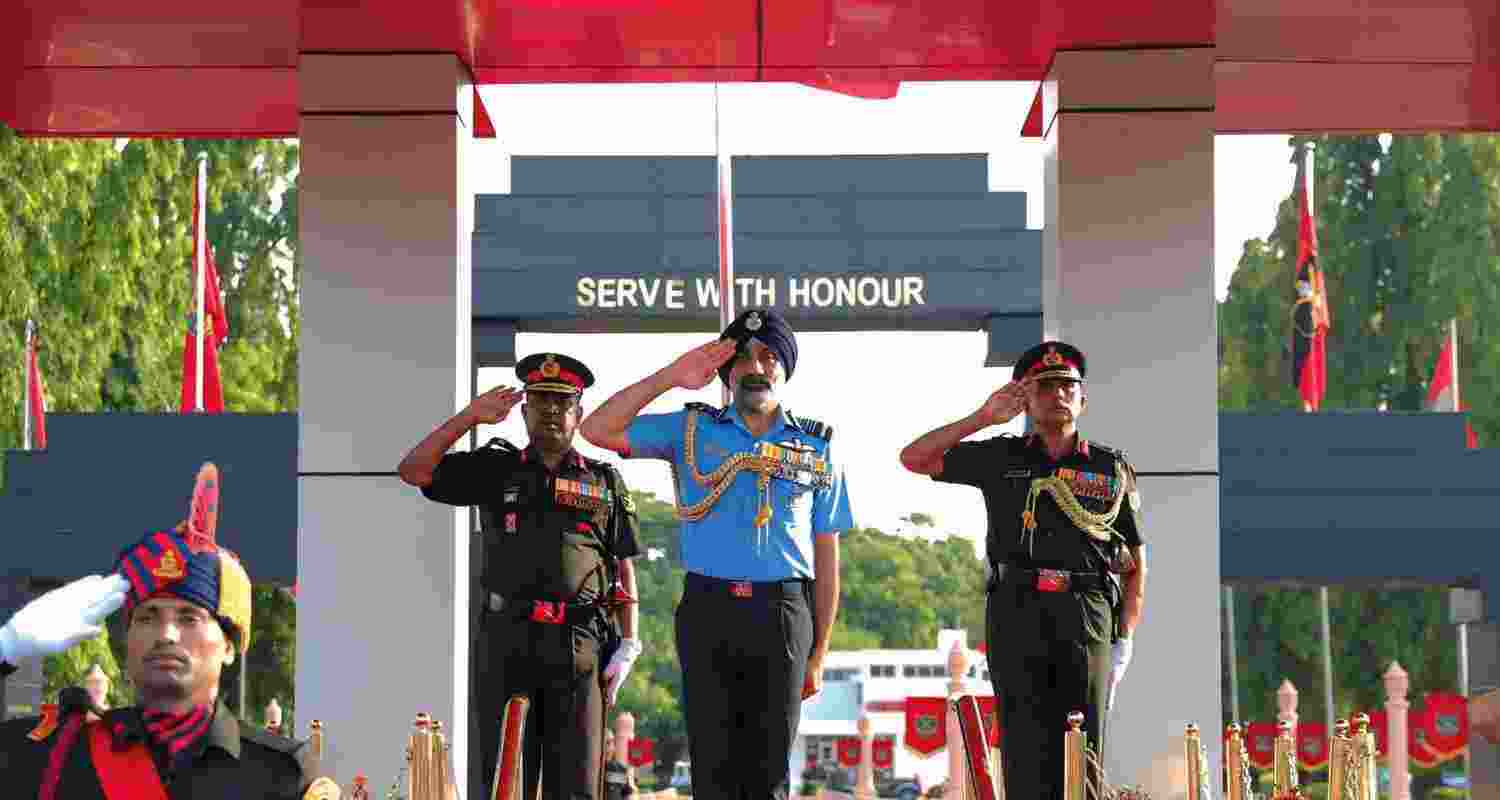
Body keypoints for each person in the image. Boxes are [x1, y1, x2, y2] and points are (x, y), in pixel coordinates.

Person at [579, 308, 855, 800]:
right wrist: (672, 376)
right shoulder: (691, 430)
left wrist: (820, 651)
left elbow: (826, 553)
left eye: (769, 356)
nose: (756, 367)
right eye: (743, 357)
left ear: (786, 368)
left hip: (783, 612)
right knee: (712, 766)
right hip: (710, 610)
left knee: (769, 772)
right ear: (726, 373)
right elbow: (598, 429)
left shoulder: (815, 446)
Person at [898, 341, 1146, 800]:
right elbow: (914, 458)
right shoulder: (1003, 455)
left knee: (1083, 751)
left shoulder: (1110, 469)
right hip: (1018, 611)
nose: (1058, 394)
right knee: (1024, 747)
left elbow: (1135, 563)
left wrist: (1125, 638)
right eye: (1045, 386)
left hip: (1086, 612)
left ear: (1083, 398)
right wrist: (981, 418)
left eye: (1067, 386)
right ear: (1026, 401)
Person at [0, 469, 335, 799]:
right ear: (128, 640)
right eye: (147, 617)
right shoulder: (60, 752)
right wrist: (6, 648)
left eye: (189, 618)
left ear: (230, 646)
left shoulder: (281, 774)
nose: (167, 634)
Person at [398, 352, 642, 800]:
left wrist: (629, 642)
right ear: (524, 410)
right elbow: (414, 470)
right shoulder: (495, 468)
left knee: (578, 788)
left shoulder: (604, 481)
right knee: (506, 784)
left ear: (579, 413)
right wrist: (470, 416)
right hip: (509, 641)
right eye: (541, 400)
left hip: (580, 645)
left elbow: (623, 560)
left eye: (562, 402)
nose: (551, 410)